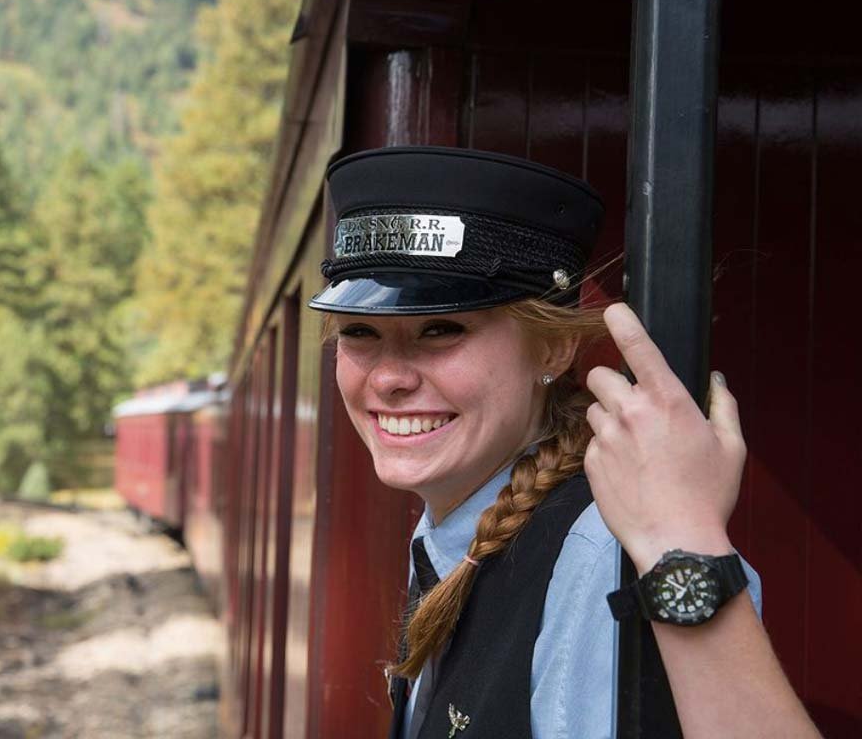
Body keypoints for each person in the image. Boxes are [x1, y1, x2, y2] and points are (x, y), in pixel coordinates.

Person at [308, 146, 821, 739]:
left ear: (551, 349)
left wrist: (684, 545)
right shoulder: (452, 532)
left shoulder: (599, 557)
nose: (390, 377)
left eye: (441, 329)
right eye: (360, 332)